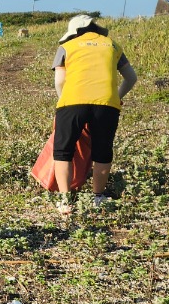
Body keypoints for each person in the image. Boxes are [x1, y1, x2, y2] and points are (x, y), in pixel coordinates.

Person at [51, 14, 138, 214]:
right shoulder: (113, 46)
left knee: (63, 151)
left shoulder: (67, 47)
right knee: (102, 150)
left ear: (74, 32)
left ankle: (65, 201)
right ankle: (98, 196)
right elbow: (131, 77)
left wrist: (63, 103)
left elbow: (59, 82)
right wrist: (116, 96)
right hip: (106, 104)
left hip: (72, 101)